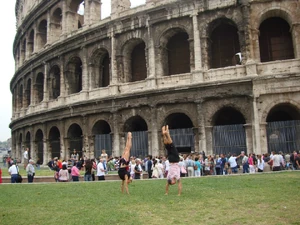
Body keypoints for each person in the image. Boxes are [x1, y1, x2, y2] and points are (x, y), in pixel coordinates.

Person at [162, 125, 182, 196]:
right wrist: (178, 194)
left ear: (172, 181)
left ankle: (166, 134)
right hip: (173, 160)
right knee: (169, 146)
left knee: (169, 146)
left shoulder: (170, 176)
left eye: (174, 182)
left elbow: (168, 184)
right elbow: (179, 184)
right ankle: (165, 134)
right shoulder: (174, 176)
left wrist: (167, 193)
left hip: (174, 160)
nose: (175, 182)